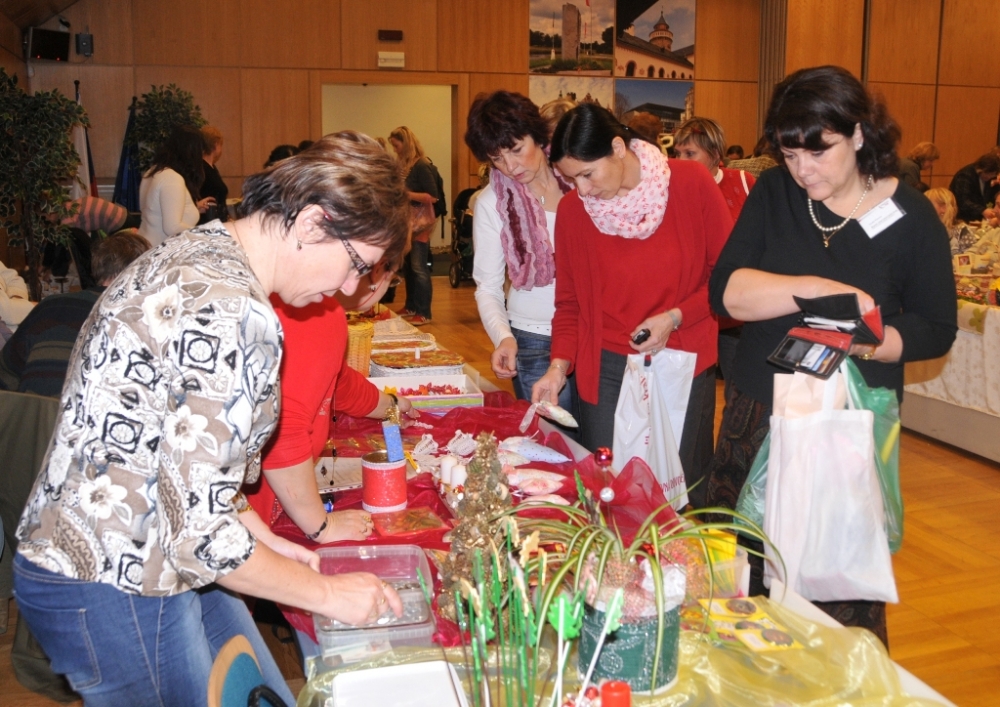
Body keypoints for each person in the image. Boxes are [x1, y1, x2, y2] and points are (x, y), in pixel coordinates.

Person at [13, 132, 410, 704]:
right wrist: (327, 594)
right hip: (114, 575)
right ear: (311, 223)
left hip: (116, 553)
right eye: (356, 265)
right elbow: (198, 537)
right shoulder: (234, 312)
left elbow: (181, 462)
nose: (349, 287)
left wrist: (264, 538)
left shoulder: (205, 250)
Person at [704, 65, 957, 646]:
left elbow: (935, 329)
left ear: (859, 133)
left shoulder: (911, 217)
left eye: (818, 152)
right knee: (741, 575)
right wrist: (815, 290)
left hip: (845, 425)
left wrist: (866, 339)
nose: (803, 170)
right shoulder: (775, 192)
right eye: (791, 155)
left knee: (835, 591)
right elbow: (727, 294)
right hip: (758, 414)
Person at [532, 103, 733, 508]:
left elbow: (728, 278)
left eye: (587, 174)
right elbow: (569, 303)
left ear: (618, 148)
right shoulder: (574, 212)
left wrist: (675, 318)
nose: (581, 190)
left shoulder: (690, 183)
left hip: (681, 361)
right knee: (612, 492)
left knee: (681, 492)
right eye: (571, 179)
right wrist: (557, 367)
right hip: (606, 367)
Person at [247, 262, 419, 543]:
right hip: (244, 521)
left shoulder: (303, 301)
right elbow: (284, 431)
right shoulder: (321, 314)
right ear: (378, 273)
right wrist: (322, 526)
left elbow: (338, 382)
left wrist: (391, 404)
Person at [464, 90, 580, 421]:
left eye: (516, 150)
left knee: (602, 439)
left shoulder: (581, 180)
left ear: (537, 134)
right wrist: (504, 338)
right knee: (556, 441)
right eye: (497, 158)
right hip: (534, 341)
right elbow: (488, 286)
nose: (510, 166)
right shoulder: (491, 203)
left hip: (592, 333)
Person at [0, 232, 151, 397]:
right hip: (87, 410)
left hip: (35, 410)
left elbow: (6, 371)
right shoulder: (140, 318)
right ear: (144, 274)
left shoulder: (49, 306)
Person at [673, 116, 757, 410]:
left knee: (739, 395)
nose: (681, 161)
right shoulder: (671, 188)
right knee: (694, 400)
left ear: (715, 155)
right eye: (677, 153)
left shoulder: (744, 183)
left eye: (690, 153)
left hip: (736, 312)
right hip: (693, 309)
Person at [389, 126, 441, 326]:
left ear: (406, 143)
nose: (395, 150)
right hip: (408, 221)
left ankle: (424, 311)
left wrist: (406, 194)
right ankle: (411, 306)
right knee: (410, 267)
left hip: (421, 222)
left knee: (419, 267)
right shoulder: (405, 165)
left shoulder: (421, 165)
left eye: (396, 145)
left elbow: (433, 197)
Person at [139, 125, 212, 247]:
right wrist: (206, 234)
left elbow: (154, 211)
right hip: (160, 251)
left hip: (146, 246)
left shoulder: (152, 171)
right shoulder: (172, 178)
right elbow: (172, 228)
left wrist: (192, 209)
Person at [949, 153, 1000, 222]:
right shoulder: (965, 176)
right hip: (962, 218)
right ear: (981, 169)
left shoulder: (991, 177)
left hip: (979, 219)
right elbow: (963, 201)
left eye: (992, 175)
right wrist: (982, 210)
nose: (989, 177)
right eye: (988, 174)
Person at [925, 187, 976, 254]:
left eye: (928, 204)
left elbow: (971, 257)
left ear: (943, 207)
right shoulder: (925, 228)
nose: (923, 208)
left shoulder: (962, 231)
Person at [198, 126, 229, 224]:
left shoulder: (211, 167)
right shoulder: (201, 168)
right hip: (207, 222)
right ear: (216, 144)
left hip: (213, 221)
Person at [0, 259, 34, 330]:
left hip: (16, 330)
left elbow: (13, 278)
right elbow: (2, 309)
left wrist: (17, 297)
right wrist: (36, 307)